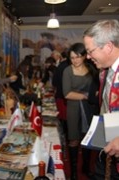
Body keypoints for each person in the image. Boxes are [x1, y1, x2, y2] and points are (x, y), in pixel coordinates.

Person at [83, 19, 119, 179]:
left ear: (109, 47)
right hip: (108, 143)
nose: (88, 57)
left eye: (91, 51)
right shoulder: (105, 71)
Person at [62, 42, 99, 179]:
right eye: (72, 57)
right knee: (74, 140)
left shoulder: (92, 69)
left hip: (90, 108)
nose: (75, 60)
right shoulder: (67, 71)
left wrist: (94, 95)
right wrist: (86, 95)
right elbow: (67, 94)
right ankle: (73, 172)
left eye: (78, 57)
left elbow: (96, 89)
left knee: (87, 139)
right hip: (74, 108)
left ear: (84, 56)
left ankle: (86, 167)